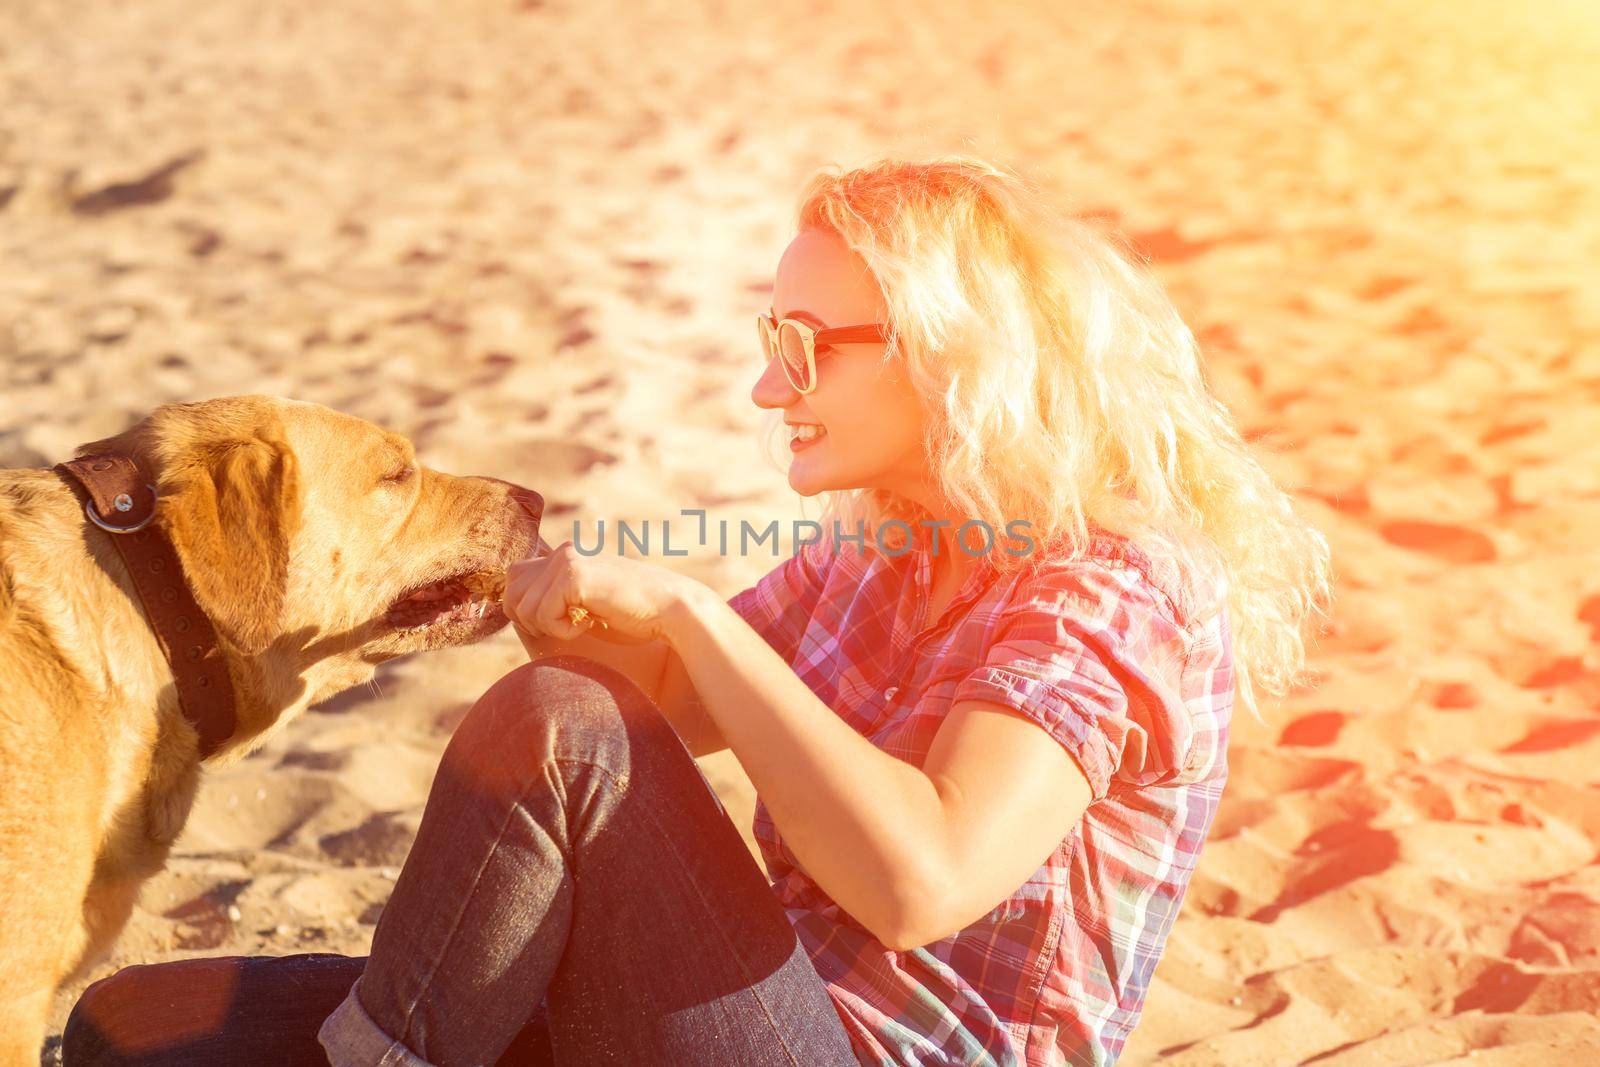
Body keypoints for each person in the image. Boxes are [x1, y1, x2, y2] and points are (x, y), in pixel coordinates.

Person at [60, 156, 1332, 1066]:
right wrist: (534, 595)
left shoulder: (1116, 585)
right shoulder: (892, 545)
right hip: (725, 1015)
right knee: (134, 1030)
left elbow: (923, 878)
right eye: (766, 334)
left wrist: (688, 613)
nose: (764, 382)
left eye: (806, 342)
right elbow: (649, 711)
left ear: (953, 348)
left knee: (557, 724)